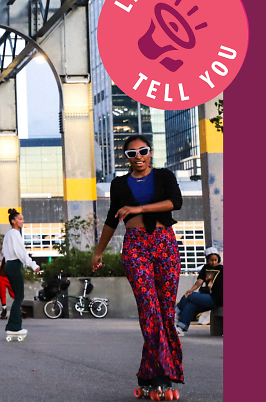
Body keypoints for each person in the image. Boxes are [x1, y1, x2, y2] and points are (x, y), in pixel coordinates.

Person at [91, 135, 183, 399]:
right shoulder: (119, 184)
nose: (138, 156)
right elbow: (112, 217)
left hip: (165, 244)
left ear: (150, 153)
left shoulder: (164, 176)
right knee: (149, 310)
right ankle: (160, 376)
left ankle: (151, 375)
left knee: (165, 312)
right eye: (132, 153)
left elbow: (175, 203)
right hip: (135, 247)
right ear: (126, 158)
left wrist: (138, 208)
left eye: (143, 151)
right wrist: (98, 252)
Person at [2, 210, 40, 338]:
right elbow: (21, 252)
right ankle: (14, 327)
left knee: (18, 296)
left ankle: (13, 326)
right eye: (20, 219)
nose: (22, 221)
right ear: (13, 221)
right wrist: (33, 265)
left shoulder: (9, 234)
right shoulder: (14, 233)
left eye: (23, 219)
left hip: (10, 265)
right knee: (19, 296)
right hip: (13, 264)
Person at [175, 247, 223, 335]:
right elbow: (199, 281)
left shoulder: (222, 269)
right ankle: (180, 328)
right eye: (211, 260)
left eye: (215, 260)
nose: (213, 262)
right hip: (207, 297)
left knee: (190, 296)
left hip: (217, 298)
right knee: (190, 305)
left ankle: (176, 312)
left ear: (218, 259)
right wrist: (191, 289)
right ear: (207, 260)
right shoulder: (205, 268)